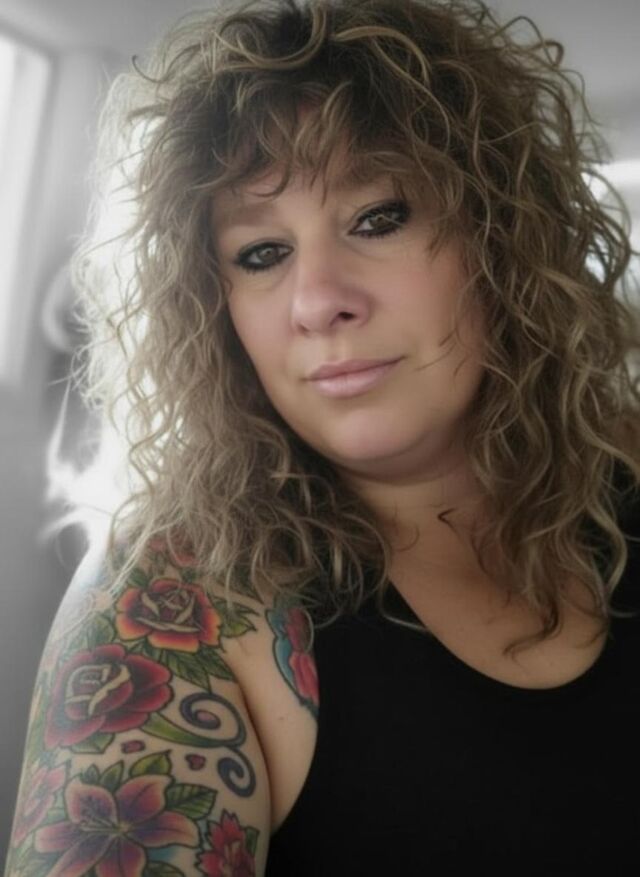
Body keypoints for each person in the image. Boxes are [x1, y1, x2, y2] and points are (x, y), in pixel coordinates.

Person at [6, 0, 640, 873]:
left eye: (378, 218)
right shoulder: (171, 595)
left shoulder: (624, 467)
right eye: (261, 254)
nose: (317, 301)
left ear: (501, 237)